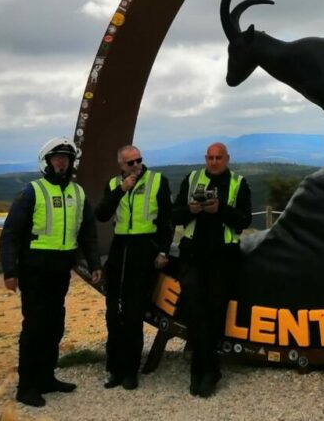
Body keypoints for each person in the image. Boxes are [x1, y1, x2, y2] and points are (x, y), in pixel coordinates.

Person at [0, 137, 102, 408]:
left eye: (66, 159)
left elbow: (88, 233)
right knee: (35, 328)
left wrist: (95, 264)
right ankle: (26, 387)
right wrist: (10, 271)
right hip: (34, 271)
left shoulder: (77, 194)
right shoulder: (32, 192)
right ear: (46, 162)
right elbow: (10, 234)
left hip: (60, 271)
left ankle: (46, 378)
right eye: (57, 158)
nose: (62, 162)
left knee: (55, 326)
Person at [172, 142, 252, 397]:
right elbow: (175, 215)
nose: (214, 162)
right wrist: (191, 210)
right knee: (195, 311)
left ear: (227, 159)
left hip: (223, 257)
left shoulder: (239, 183)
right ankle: (203, 371)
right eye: (210, 158)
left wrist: (220, 210)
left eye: (219, 157)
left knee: (216, 313)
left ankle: (208, 371)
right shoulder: (192, 179)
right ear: (205, 159)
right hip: (193, 255)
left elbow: (244, 220)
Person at [95, 144, 173, 390]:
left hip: (144, 248)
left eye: (139, 160)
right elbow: (102, 214)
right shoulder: (112, 185)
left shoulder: (157, 181)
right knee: (113, 311)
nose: (136, 165)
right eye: (130, 163)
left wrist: (163, 250)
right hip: (120, 248)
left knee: (134, 312)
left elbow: (166, 220)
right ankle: (114, 368)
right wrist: (121, 190)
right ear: (121, 165)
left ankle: (130, 371)